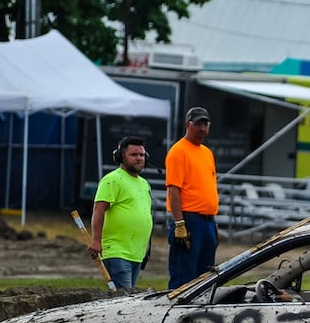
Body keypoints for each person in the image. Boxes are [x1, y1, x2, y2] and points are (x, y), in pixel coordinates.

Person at [165, 106, 220, 289]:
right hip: (189, 220)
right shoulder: (178, 151)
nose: (202, 128)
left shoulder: (207, 153)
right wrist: (179, 223)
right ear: (188, 125)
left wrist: (211, 225)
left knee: (205, 277)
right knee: (184, 277)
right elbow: (174, 191)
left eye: (206, 124)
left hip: (207, 223)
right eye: (198, 124)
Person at [88, 137, 153, 291]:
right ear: (120, 157)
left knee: (127, 299)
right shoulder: (112, 180)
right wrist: (96, 240)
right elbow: (98, 210)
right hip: (117, 252)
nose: (139, 158)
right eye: (134, 155)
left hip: (136, 254)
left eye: (142, 155)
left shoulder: (144, 184)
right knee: (125, 300)